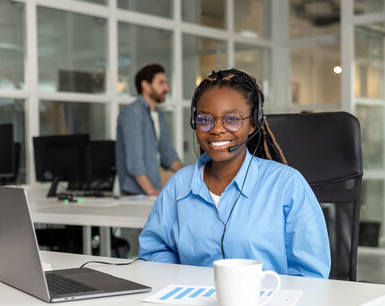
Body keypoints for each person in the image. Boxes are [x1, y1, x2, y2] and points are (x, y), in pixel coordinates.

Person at [138, 69, 331, 278]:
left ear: (252, 124)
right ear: (195, 123)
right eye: (205, 119)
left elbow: (310, 275)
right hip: (193, 305)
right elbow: (155, 250)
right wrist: (181, 282)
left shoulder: (287, 184)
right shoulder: (180, 185)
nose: (217, 129)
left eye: (232, 119)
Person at [116, 64, 184, 196]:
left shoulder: (158, 114)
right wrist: (151, 191)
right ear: (146, 86)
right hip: (138, 189)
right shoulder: (133, 113)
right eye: (161, 83)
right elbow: (134, 162)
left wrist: (191, 177)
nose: (166, 88)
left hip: (157, 176)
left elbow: (168, 154)